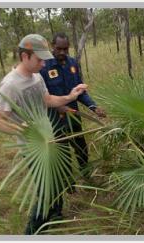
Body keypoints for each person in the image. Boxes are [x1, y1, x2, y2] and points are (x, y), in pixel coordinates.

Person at [0, 34, 88, 235]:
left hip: (51, 138)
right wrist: (22, 129)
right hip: (33, 147)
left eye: (45, 59)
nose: (44, 64)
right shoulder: (10, 85)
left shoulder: (37, 77)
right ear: (24, 56)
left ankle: (56, 214)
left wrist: (70, 96)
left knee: (60, 179)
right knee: (47, 189)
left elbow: (47, 99)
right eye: (39, 59)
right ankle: (32, 231)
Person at [39, 32, 106, 181]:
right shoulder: (43, 66)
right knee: (63, 153)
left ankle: (86, 175)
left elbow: (80, 91)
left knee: (81, 149)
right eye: (59, 49)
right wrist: (57, 107)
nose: (62, 52)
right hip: (55, 120)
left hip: (74, 116)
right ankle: (68, 183)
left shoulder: (72, 64)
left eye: (65, 49)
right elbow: (41, 97)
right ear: (52, 46)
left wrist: (94, 107)